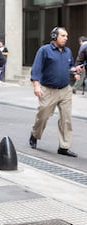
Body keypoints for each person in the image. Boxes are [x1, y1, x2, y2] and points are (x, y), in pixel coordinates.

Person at [29, 27, 82, 157]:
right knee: (43, 116)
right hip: (48, 90)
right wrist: (36, 86)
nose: (66, 38)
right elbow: (36, 69)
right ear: (54, 36)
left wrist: (75, 71)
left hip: (65, 90)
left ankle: (64, 147)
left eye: (66, 36)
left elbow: (69, 67)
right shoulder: (44, 50)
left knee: (66, 119)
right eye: (63, 36)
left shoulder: (67, 51)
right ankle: (35, 135)